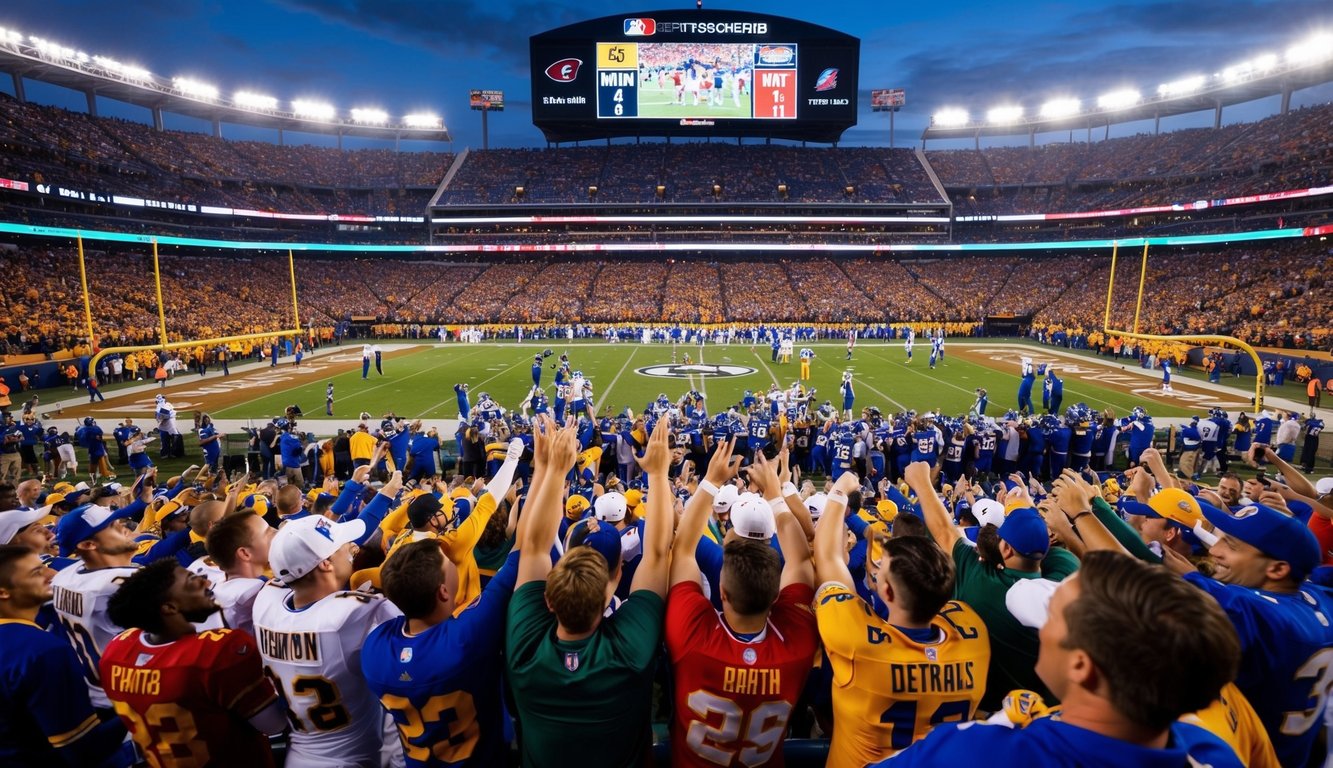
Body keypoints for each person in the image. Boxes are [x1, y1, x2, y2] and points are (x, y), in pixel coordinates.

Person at [881, 551, 1244, 767]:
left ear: (1081, 666)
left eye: (1052, 615)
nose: (1042, 630)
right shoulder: (1211, 749)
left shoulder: (977, 752)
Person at [506, 415, 676, 767]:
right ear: (615, 580)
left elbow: (534, 546)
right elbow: (658, 552)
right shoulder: (631, 650)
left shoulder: (525, 652)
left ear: (549, 600)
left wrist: (552, 470)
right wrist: (658, 474)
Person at [814, 469, 990, 765]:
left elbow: (827, 555)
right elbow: (947, 546)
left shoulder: (857, 641)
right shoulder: (974, 634)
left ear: (889, 593)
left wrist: (841, 489)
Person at [666, 442, 819, 767]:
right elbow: (802, 559)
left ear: (722, 591)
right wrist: (776, 492)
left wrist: (710, 480)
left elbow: (681, 549)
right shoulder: (798, 643)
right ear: (776, 598)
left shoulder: (692, 637)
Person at [1158, 496, 1333, 766]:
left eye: (1231, 544)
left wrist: (1082, 514)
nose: (1215, 550)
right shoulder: (1316, 598)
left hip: (1244, 754)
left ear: (1277, 569)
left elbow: (1129, 579)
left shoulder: (1258, 614)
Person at [906, 461, 1078, 711]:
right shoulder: (1065, 568)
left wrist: (922, 481)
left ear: (1006, 548)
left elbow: (944, 532)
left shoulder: (982, 581)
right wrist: (1028, 514)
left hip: (992, 711)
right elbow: (1045, 548)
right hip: (1053, 711)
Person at [100, 560, 287, 767]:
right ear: (170, 607)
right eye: (192, 581)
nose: (206, 584)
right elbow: (274, 724)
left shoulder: (117, 650)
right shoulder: (216, 652)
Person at [253, 514, 403, 768]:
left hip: (297, 756)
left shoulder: (265, 604)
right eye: (343, 545)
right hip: (353, 759)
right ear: (325, 564)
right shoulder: (354, 615)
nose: (350, 548)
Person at [363, 535, 521, 767]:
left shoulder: (374, 649)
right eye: (449, 563)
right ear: (443, 592)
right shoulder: (465, 639)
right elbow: (524, 551)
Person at [0, 545, 134, 767]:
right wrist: (137, 705)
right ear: (3, 592)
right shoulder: (42, 650)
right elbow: (85, 750)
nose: (51, 574)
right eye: (36, 573)